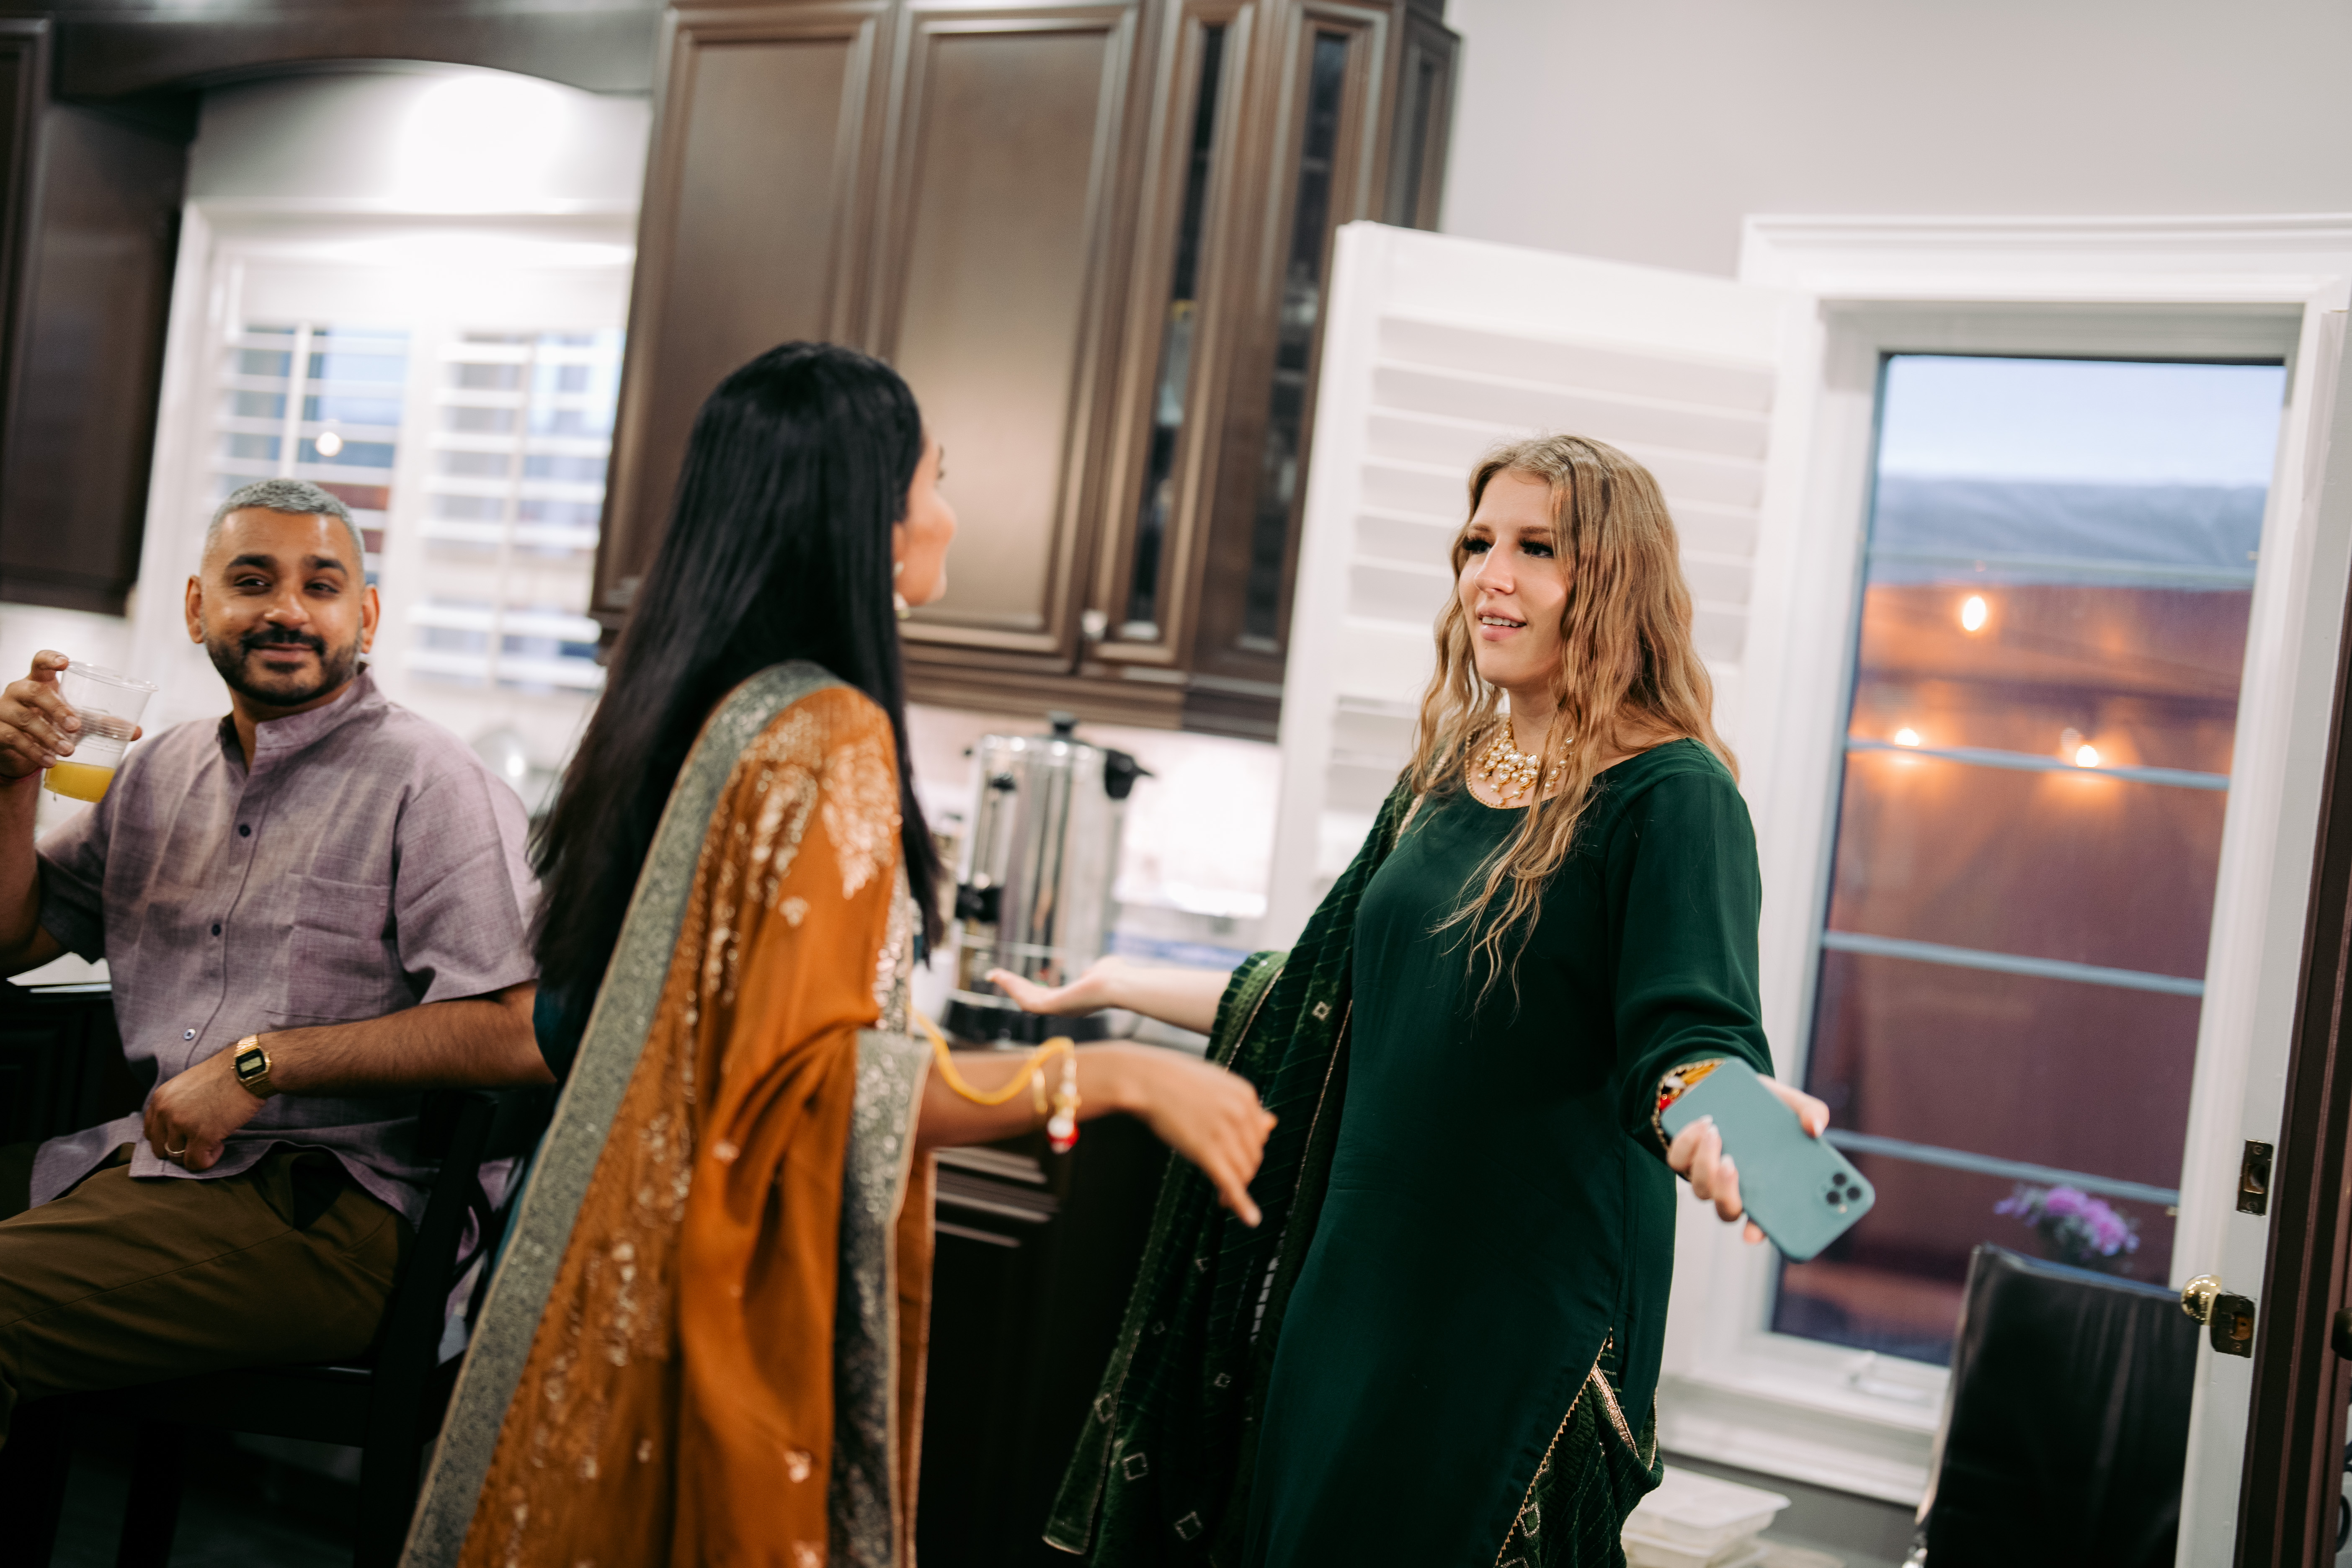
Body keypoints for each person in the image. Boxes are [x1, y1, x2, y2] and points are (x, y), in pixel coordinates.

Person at [400, 341, 1276, 1568]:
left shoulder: (699, 702)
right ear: (866, 510)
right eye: (935, 479)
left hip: (601, 1260)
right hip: (709, 1299)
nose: (949, 513)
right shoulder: (827, 736)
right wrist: (1111, 1075)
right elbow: (810, 1086)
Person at [1017, 434, 1835, 1566]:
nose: (1490, 576)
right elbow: (1331, 997)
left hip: (1515, 1316)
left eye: (1538, 549)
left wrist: (1729, 1121)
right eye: (1478, 543)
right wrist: (1115, 984)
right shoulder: (1447, 777)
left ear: (1617, 580)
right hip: (1352, 1284)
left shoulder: (1673, 794)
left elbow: (1690, 1030)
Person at [0, 477, 552, 1447]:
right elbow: (18, 934)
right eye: (252, 580)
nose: (287, 610)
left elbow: (522, 1034)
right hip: (149, 1176)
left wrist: (261, 1064)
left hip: (340, 1213)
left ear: (364, 616)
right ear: (197, 607)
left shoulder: (434, 783)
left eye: (321, 586)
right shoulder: (158, 771)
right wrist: (11, 780)